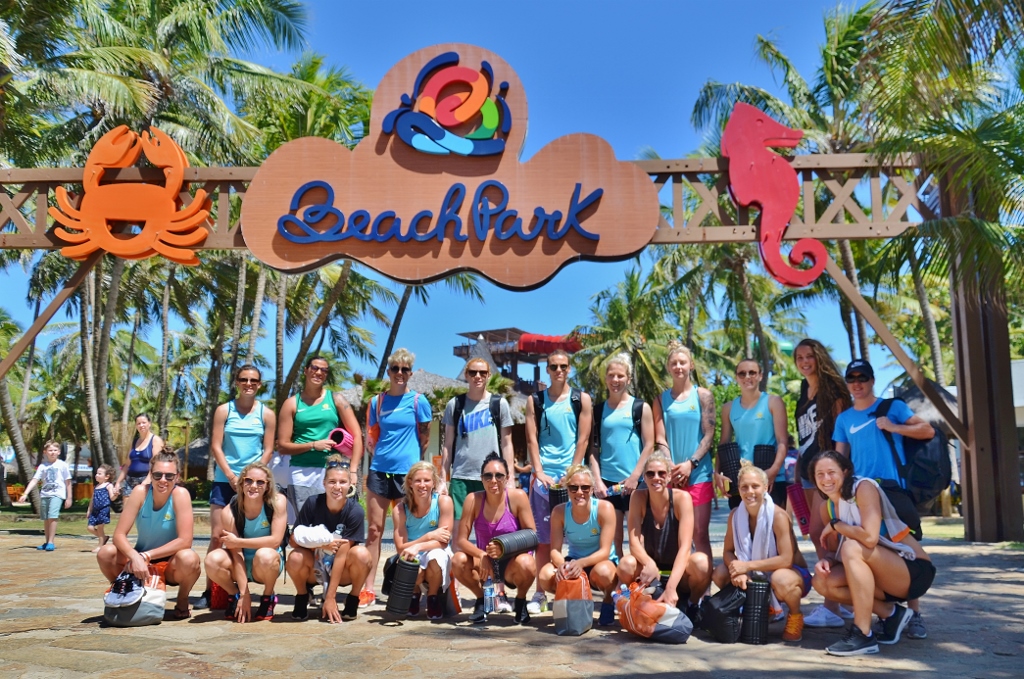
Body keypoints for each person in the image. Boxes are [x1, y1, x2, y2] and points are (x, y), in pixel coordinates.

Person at [833, 358, 936, 640]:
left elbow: (927, 430)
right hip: (862, 496)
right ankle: (888, 614)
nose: (857, 383)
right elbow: (840, 459)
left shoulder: (893, 407)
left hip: (894, 492)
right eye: (852, 378)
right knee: (869, 551)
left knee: (908, 550)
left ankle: (914, 614)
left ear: (872, 380)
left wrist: (894, 427)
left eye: (862, 378)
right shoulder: (844, 419)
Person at [810, 450, 936, 656]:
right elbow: (836, 552)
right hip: (880, 575)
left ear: (845, 471)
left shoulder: (863, 488)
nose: (826, 479)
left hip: (912, 570)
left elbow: (869, 538)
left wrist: (837, 525)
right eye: (820, 474)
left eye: (831, 472)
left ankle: (863, 634)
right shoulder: (828, 508)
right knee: (822, 581)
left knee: (853, 546)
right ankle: (892, 614)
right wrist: (826, 561)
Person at [196, 364, 277, 610]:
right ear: (236, 382)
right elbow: (217, 447)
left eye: (253, 380)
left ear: (259, 384)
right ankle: (210, 591)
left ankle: (259, 591)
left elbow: (269, 450)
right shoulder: (224, 410)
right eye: (243, 379)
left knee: (250, 536)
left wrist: (251, 478)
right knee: (217, 536)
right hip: (225, 480)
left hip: (254, 483)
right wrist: (232, 476)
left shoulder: (266, 414)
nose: (248, 384)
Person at [792, 338, 854, 628]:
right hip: (806, 472)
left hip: (826, 473)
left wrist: (839, 472)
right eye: (799, 357)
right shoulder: (804, 392)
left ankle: (833, 605)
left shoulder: (835, 391)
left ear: (819, 357)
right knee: (818, 535)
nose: (805, 362)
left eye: (809, 356)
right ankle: (843, 597)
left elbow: (842, 433)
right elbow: (803, 438)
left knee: (824, 533)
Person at [362, 348, 432, 608]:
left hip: (408, 475)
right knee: (374, 531)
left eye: (405, 369)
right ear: (389, 371)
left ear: (410, 373)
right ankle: (368, 589)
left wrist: (415, 466)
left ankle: (410, 587)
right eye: (395, 369)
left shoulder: (418, 401)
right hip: (380, 471)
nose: (400, 373)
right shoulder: (376, 402)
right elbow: (371, 437)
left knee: (409, 532)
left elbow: (424, 437)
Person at [525, 350, 593, 614]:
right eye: (553, 366)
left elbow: (583, 440)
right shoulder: (535, 401)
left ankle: (580, 588)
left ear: (569, 368)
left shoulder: (581, 399)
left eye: (563, 366)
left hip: (573, 480)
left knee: (577, 538)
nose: (559, 371)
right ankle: (540, 593)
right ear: (547, 369)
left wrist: (573, 473)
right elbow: (532, 440)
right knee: (543, 540)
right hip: (543, 480)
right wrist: (539, 472)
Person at [712, 460, 810, 642]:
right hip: (755, 572)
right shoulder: (735, 515)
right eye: (744, 487)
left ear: (766, 487)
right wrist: (736, 569)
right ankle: (759, 608)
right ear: (738, 490)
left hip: (793, 574)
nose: (750, 492)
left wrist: (746, 566)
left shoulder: (778, 515)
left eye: (755, 486)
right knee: (720, 573)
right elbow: (727, 552)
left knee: (781, 578)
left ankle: (795, 615)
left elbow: (786, 560)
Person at [97, 451, 200, 620]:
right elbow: (119, 535)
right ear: (150, 475)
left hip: (170, 564)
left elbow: (185, 540)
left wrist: (147, 555)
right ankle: (124, 590)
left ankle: (182, 598)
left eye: (169, 476)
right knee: (105, 553)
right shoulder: (140, 492)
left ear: (177, 477)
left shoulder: (180, 494)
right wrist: (135, 556)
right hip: (140, 561)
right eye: (158, 475)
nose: (163, 480)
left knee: (189, 558)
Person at [616, 451, 711, 622]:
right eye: (650, 473)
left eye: (662, 473)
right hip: (650, 572)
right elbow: (634, 542)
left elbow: (685, 547)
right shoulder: (638, 497)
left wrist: (671, 587)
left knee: (702, 563)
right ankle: (637, 602)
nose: (656, 478)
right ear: (644, 478)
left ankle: (692, 603)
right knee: (625, 564)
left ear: (669, 477)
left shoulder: (682, 498)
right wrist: (649, 563)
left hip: (678, 572)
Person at [452, 453, 537, 625]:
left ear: (507, 478)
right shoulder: (473, 500)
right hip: (486, 566)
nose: (493, 480)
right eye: (488, 476)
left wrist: (503, 547)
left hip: (512, 565)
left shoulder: (518, 497)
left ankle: (520, 601)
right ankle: (482, 600)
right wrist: (482, 555)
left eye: (499, 475)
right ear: (481, 479)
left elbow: (532, 535)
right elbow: (460, 540)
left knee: (528, 563)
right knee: (457, 560)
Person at [286, 455, 372, 622]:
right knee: (295, 556)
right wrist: (322, 544)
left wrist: (330, 597)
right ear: (324, 483)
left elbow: (342, 553)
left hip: (341, 569)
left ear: (350, 485)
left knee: (362, 554)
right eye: (332, 482)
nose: (337, 487)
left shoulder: (355, 511)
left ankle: (353, 599)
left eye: (342, 482)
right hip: (315, 566)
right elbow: (293, 540)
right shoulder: (312, 503)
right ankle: (302, 596)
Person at [276, 355, 362, 521]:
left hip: (333, 472)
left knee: (333, 524)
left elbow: (357, 435)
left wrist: (353, 471)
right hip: (301, 472)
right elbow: (283, 446)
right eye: (315, 368)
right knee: (306, 525)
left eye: (324, 370)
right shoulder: (292, 403)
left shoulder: (336, 400)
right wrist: (314, 445)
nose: (319, 372)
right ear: (306, 371)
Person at [652, 341, 715, 562]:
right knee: (676, 536)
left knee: (699, 534)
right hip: (671, 476)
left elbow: (709, 434)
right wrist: (669, 465)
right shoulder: (660, 400)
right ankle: (681, 588)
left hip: (698, 474)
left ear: (691, 365)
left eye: (683, 362)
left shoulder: (703, 396)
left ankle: (703, 593)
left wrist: (691, 464)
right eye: (674, 363)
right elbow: (660, 437)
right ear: (668, 368)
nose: (679, 367)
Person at [204, 461, 288, 623]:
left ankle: (268, 596)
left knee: (266, 554)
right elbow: (236, 554)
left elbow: (275, 541)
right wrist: (245, 594)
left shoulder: (277, 502)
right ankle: (234, 594)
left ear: (268, 485)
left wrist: (238, 542)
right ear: (241, 484)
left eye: (260, 482)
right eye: (248, 481)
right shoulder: (229, 511)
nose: (253, 486)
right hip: (240, 562)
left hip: (265, 563)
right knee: (212, 559)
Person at [538, 464, 619, 626]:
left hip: (600, 562)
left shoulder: (605, 508)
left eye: (585, 488)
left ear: (592, 489)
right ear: (567, 489)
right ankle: (573, 597)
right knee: (545, 575)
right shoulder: (559, 512)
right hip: (574, 559)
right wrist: (563, 566)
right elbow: (554, 550)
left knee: (604, 572)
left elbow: (604, 551)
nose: (580, 492)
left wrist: (579, 564)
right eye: (574, 488)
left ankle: (609, 601)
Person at [590, 353, 654, 559]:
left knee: (638, 537)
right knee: (613, 537)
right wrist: (597, 481)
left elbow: (649, 444)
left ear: (629, 379)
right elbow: (592, 449)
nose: (615, 380)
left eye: (620, 376)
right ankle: (618, 583)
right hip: (608, 483)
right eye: (611, 376)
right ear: (606, 378)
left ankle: (640, 580)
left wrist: (636, 476)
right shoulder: (597, 411)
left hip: (636, 482)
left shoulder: (640, 407)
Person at [441, 357, 514, 520]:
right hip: (461, 476)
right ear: (466, 375)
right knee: (459, 530)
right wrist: (442, 479)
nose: (478, 376)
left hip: (492, 476)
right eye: (473, 372)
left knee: (491, 528)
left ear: (488, 375)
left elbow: (507, 444)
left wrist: (510, 478)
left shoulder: (499, 404)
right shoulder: (455, 404)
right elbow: (448, 444)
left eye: (482, 372)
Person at [715, 359, 788, 509]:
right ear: (736, 377)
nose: (747, 377)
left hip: (771, 477)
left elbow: (782, 442)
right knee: (742, 531)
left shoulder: (773, 402)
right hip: (741, 480)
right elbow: (723, 444)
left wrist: (773, 471)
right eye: (742, 374)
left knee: (773, 530)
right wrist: (717, 473)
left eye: (752, 373)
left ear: (760, 376)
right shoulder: (728, 408)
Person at [391, 461, 455, 619]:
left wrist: (418, 546)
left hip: (435, 549)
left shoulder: (443, 502)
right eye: (418, 480)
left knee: (436, 557)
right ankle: (414, 594)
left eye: (427, 480)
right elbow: (401, 548)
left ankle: (432, 597)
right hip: (413, 550)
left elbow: (443, 541)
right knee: (408, 561)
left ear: (433, 482)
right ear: (410, 483)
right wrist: (428, 536)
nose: (422, 485)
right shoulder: (400, 509)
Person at [19, 440, 72, 551]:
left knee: (53, 516)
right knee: (46, 518)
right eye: (50, 450)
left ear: (59, 452)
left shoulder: (63, 465)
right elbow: (34, 480)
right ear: (45, 452)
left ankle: (51, 541)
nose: (52, 452)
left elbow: (68, 482)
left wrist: (69, 497)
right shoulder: (43, 466)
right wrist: (25, 494)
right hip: (45, 494)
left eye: (55, 450)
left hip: (57, 494)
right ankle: (47, 541)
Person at [113, 413, 164, 498]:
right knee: (128, 509)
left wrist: (146, 481)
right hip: (130, 480)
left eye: (144, 422)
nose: (141, 425)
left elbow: (156, 464)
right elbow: (127, 465)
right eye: (138, 423)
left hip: (147, 480)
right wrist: (118, 482)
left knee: (143, 509)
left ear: (149, 423)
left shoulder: (155, 440)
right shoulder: (134, 442)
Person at [86, 464, 116, 553]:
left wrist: (116, 495)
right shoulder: (96, 487)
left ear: (107, 477)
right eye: (96, 473)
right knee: (90, 528)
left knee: (100, 528)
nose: (96, 475)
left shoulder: (108, 485)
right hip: (95, 510)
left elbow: (112, 498)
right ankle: (103, 537)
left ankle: (100, 545)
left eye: (99, 474)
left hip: (103, 509)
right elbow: (92, 500)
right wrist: (89, 510)